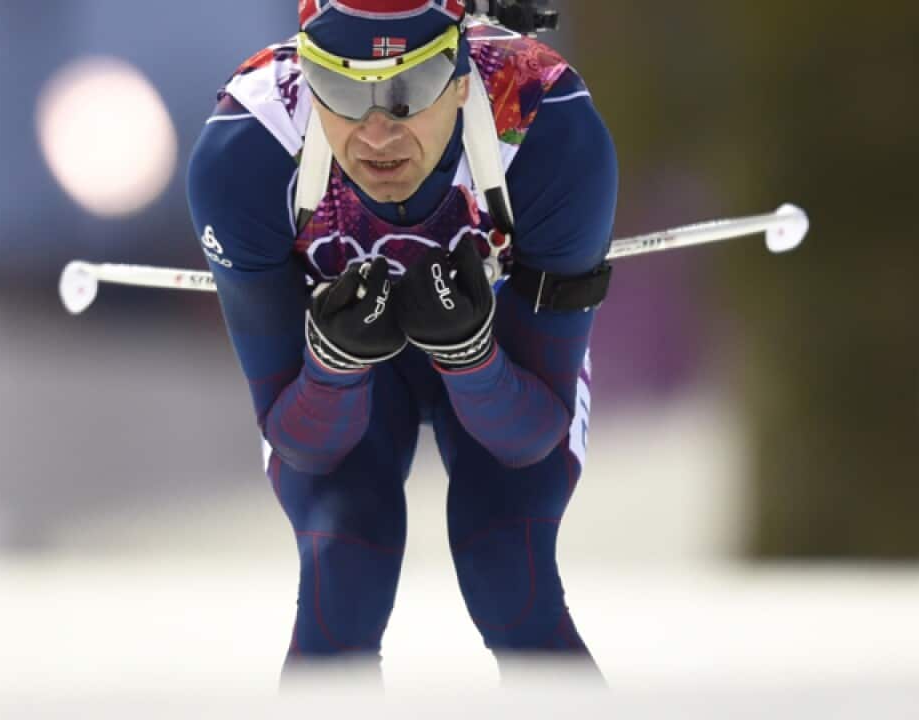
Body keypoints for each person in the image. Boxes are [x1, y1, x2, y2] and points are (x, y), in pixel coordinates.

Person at [187, 0, 617, 683]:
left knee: (507, 565)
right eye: (338, 86)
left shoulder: (546, 122)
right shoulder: (248, 147)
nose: (376, 132)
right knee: (343, 565)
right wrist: (334, 364)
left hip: (505, 356)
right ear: (305, 73)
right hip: (363, 379)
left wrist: (473, 358)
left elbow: (531, 438)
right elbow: (302, 443)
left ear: (462, 76)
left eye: (408, 88)